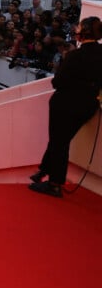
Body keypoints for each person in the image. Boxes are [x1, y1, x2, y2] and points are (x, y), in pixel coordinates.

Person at [30, 17, 102, 198]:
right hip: (88, 105)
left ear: (83, 31)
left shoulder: (75, 56)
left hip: (66, 104)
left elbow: (58, 82)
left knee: (58, 142)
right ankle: (43, 170)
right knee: (59, 139)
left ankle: (55, 184)